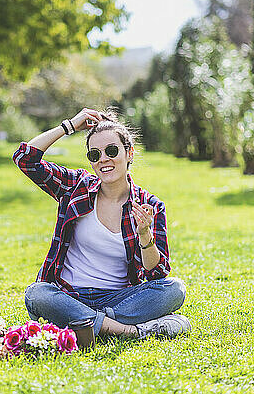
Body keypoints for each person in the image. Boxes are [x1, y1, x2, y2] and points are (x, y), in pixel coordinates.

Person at [12, 107, 191, 339]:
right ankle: (129, 331)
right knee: (37, 295)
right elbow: (25, 159)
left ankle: (84, 322)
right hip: (68, 294)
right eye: (94, 154)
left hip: (119, 297)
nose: (103, 159)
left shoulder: (149, 204)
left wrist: (145, 235)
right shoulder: (77, 186)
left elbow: (156, 274)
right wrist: (70, 126)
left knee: (174, 290)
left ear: (130, 153)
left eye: (112, 150)